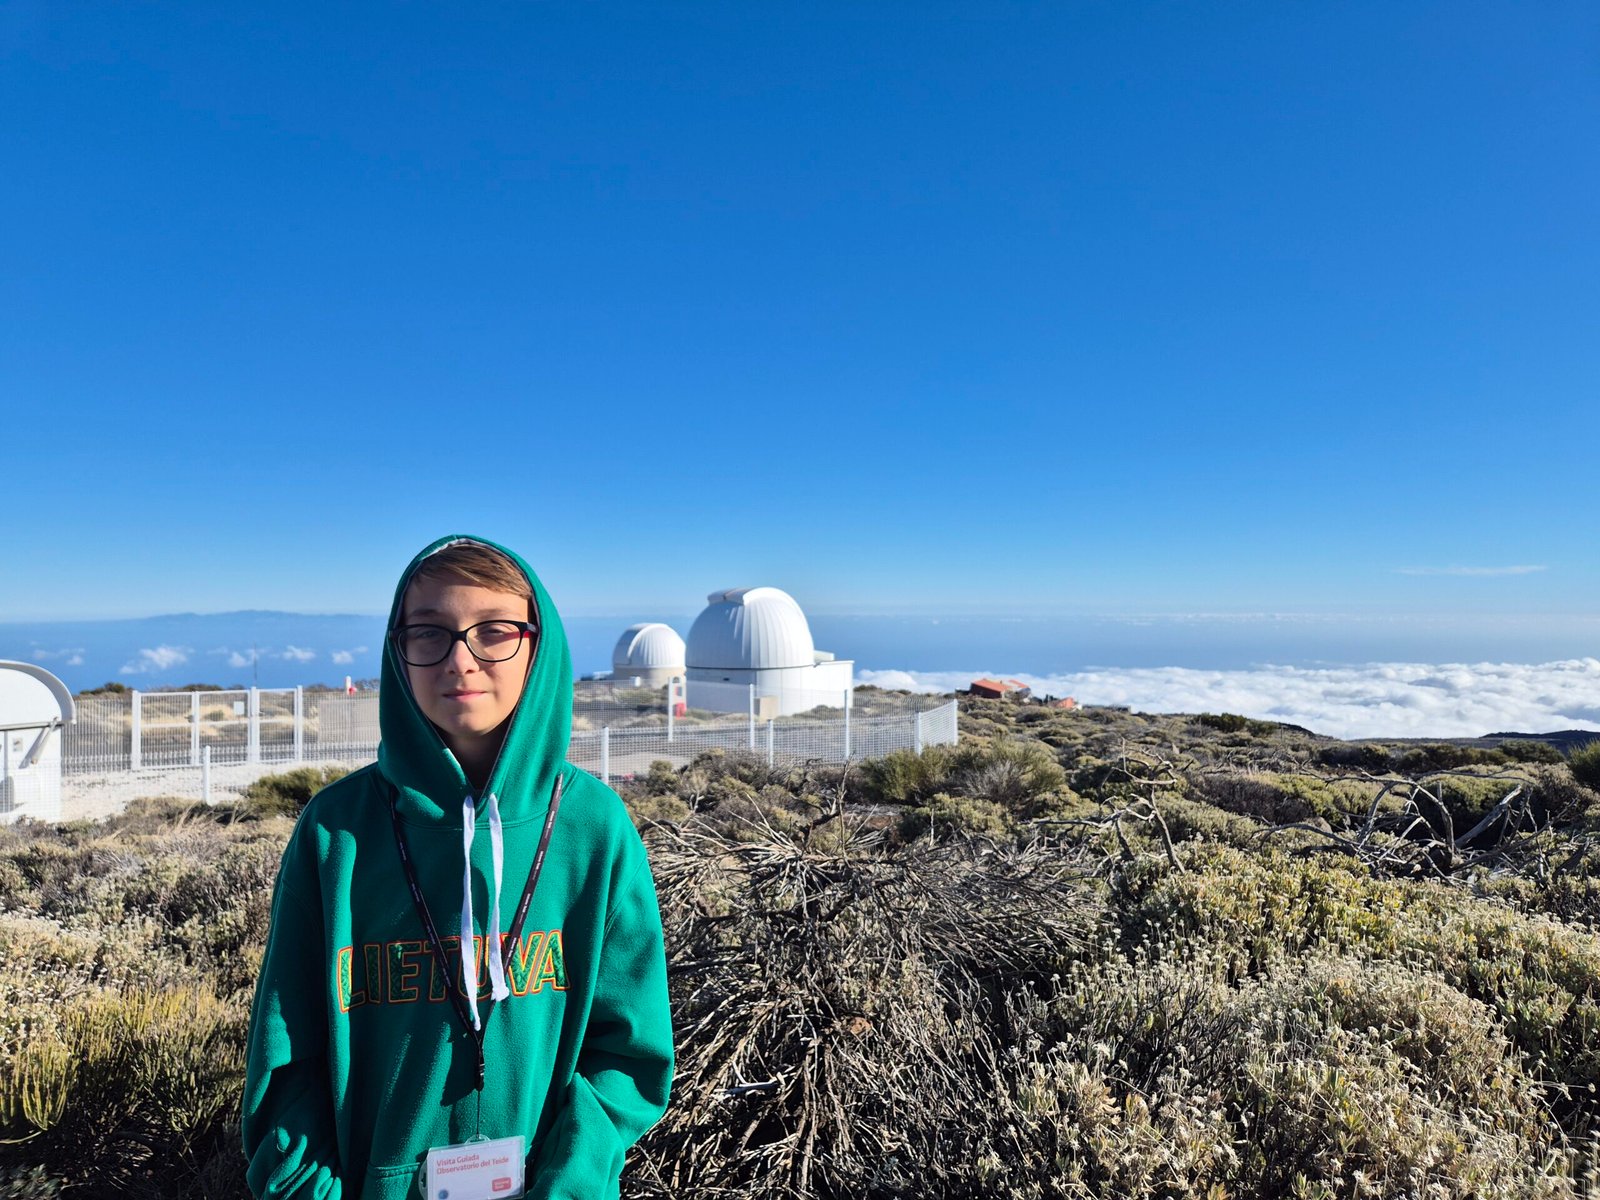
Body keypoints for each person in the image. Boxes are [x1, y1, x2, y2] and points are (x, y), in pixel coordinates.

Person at [242, 535, 674, 1200]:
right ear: (398, 649)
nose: (460, 661)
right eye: (430, 634)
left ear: (537, 646)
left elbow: (628, 1054)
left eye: (494, 632)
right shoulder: (335, 833)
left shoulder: (595, 829)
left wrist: (571, 1184)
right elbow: (286, 1058)